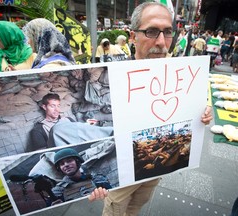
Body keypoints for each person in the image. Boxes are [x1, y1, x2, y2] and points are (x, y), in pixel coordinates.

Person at [89, 2, 213, 215]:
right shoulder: (112, 77)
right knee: (116, 209)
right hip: (122, 173)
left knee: (138, 205)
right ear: (132, 36)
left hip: (154, 170)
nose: (161, 42)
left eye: (167, 32)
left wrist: (203, 113)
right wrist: (94, 179)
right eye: (151, 31)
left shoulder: (181, 73)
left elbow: (193, 109)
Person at [28, 93, 113, 151]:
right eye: (52, 106)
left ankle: (111, 133)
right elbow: (44, 152)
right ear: (44, 107)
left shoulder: (67, 119)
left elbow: (80, 132)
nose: (57, 109)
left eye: (58, 106)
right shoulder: (39, 129)